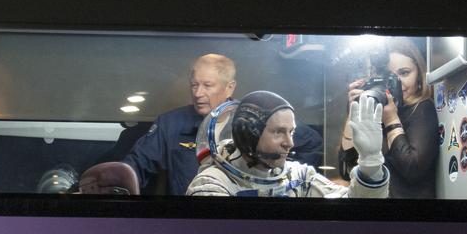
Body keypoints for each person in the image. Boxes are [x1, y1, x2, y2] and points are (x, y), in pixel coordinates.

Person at [118, 54, 323, 195]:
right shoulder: (170, 124)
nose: (198, 93)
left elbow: (309, 141)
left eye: (207, 85)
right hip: (189, 221)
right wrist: (113, 182)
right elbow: (136, 166)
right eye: (194, 85)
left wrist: (289, 186)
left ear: (229, 87)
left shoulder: (257, 117)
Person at [187, 90, 388, 198]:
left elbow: (356, 211)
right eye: (278, 132)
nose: (290, 143)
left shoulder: (299, 177)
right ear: (248, 134)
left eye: (291, 132)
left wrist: (370, 164)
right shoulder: (210, 184)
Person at [337, 37, 438, 198]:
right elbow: (346, 170)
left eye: (404, 73)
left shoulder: (422, 109)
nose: (398, 83)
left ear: (419, 75)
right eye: (389, 76)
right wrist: (354, 112)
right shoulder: (376, 110)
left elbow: (413, 169)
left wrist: (391, 120)